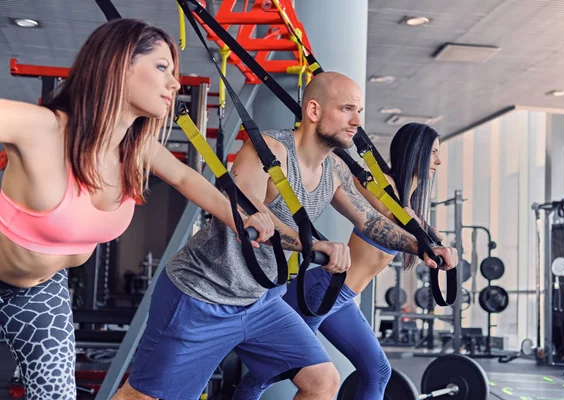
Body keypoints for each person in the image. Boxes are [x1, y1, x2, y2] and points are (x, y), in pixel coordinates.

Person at [113, 71, 457, 400]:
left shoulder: (334, 168)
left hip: (260, 301)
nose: (357, 122)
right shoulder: (267, 151)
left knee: (322, 381)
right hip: (202, 294)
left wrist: (422, 247)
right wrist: (314, 245)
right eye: (347, 110)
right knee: (143, 394)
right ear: (313, 110)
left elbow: (369, 220)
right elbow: (247, 220)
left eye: (359, 111)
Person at [0, 19, 274, 400]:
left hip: (41, 293)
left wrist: (242, 221)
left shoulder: (135, 149)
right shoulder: (42, 129)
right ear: (117, 65)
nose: (175, 83)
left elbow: (186, 180)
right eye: (162, 67)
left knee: (56, 395)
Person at [243, 123, 444, 399]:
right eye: (433, 152)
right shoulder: (384, 186)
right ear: (416, 151)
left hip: (343, 298)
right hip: (323, 290)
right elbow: (374, 202)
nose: (438, 160)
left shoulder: (409, 205)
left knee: (378, 372)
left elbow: (423, 231)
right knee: (270, 372)